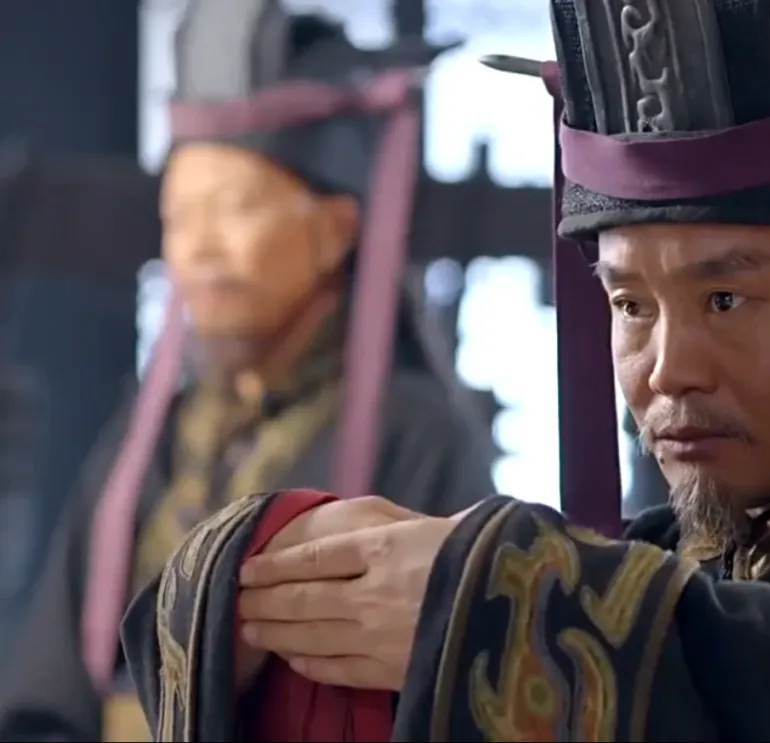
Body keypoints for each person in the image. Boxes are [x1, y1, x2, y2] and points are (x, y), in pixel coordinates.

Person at [122, 0, 770, 739]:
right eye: (631, 305)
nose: (668, 369)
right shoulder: (636, 572)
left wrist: (514, 619)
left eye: (725, 299)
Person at [0, 4, 494, 741]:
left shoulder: (421, 437)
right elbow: (48, 700)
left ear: (335, 230)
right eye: (181, 217)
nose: (198, 249)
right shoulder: (150, 443)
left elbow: (458, 695)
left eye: (233, 210)